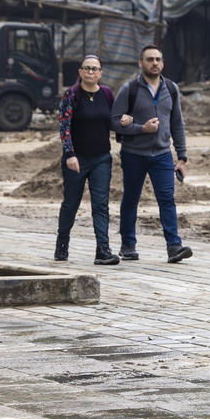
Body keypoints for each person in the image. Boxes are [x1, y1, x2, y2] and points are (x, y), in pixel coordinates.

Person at [111, 45, 193, 264]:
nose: (154, 63)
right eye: (149, 59)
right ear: (141, 63)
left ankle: (174, 246)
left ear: (163, 63)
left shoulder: (171, 89)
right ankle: (128, 245)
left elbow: (177, 123)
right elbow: (114, 121)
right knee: (131, 198)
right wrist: (140, 128)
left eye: (158, 59)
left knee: (167, 199)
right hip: (133, 154)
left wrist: (182, 156)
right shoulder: (129, 89)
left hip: (162, 155)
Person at [55, 55, 119, 265]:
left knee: (100, 204)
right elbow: (64, 128)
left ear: (101, 73)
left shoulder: (107, 94)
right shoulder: (71, 95)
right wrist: (70, 154)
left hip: (101, 157)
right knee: (71, 203)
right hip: (77, 158)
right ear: (80, 72)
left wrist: (125, 123)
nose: (91, 72)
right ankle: (62, 244)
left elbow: (111, 122)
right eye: (87, 69)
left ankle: (103, 249)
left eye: (95, 69)